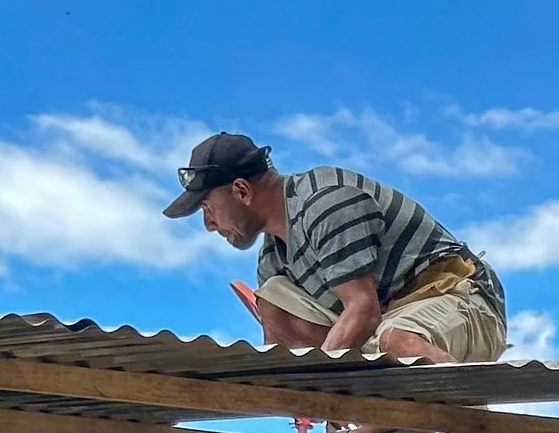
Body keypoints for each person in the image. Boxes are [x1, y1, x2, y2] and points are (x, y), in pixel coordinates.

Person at [164, 133, 508, 365]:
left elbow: (363, 310)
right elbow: (280, 342)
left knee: (397, 342)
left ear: (241, 191)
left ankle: (480, 429)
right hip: (388, 318)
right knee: (271, 300)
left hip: (462, 302)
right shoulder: (273, 257)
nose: (209, 224)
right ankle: (368, 420)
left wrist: (322, 385)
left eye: (208, 209)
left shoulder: (326, 202)